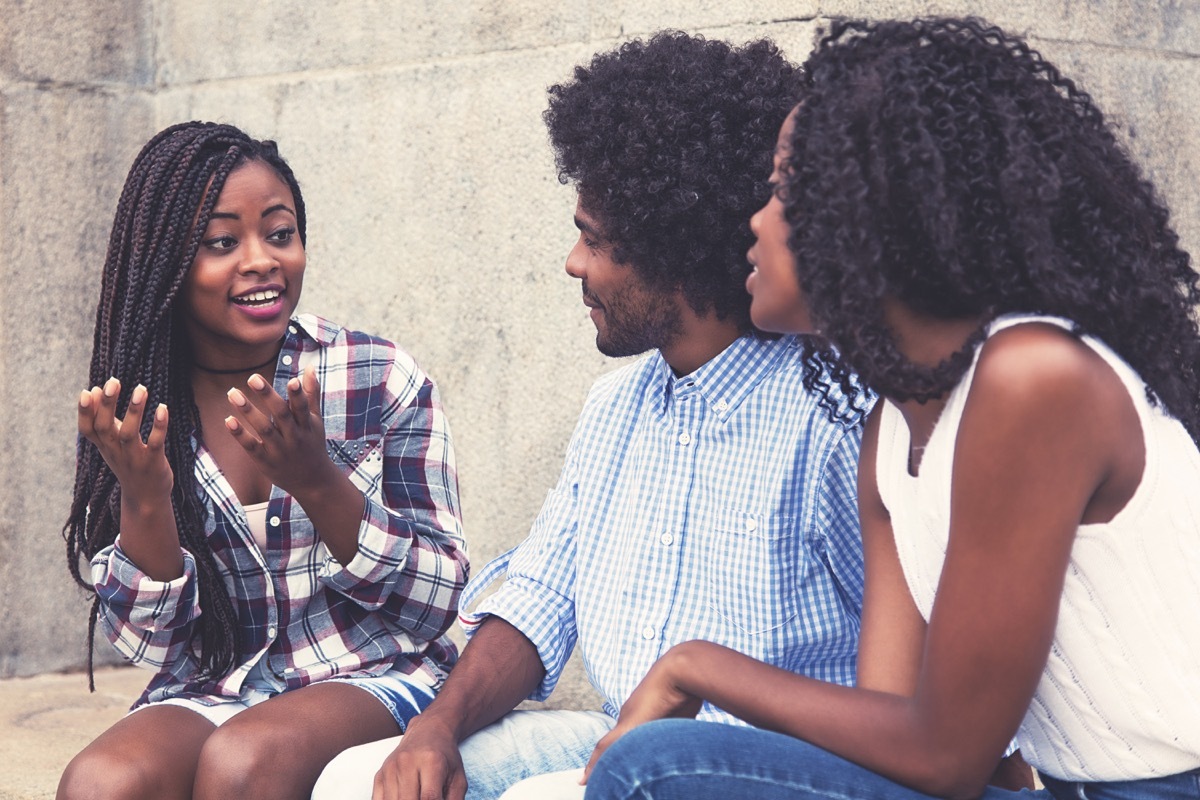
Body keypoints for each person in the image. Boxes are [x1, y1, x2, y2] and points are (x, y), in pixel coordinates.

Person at [579, 16, 1200, 800]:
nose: (755, 220)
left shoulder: (1033, 376)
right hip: (1071, 790)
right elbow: (893, 734)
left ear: (868, 212)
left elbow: (949, 757)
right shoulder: (896, 428)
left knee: (658, 767)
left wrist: (694, 666)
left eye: (780, 189)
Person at [313, 31, 872, 800]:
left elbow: (925, 695)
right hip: (619, 740)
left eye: (594, 239)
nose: (574, 263)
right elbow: (539, 595)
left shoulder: (833, 417)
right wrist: (433, 731)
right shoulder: (616, 409)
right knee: (357, 781)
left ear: (677, 251)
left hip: (770, 774)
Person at [58, 121, 469, 800]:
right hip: (218, 686)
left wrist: (317, 481)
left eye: (280, 234)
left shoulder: (375, 377)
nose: (262, 260)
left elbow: (434, 602)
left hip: (370, 671)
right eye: (223, 243)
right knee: (99, 782)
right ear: (165, 265)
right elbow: (153, 649)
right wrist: (146, 498)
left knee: (244, 761)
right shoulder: (139, 410)